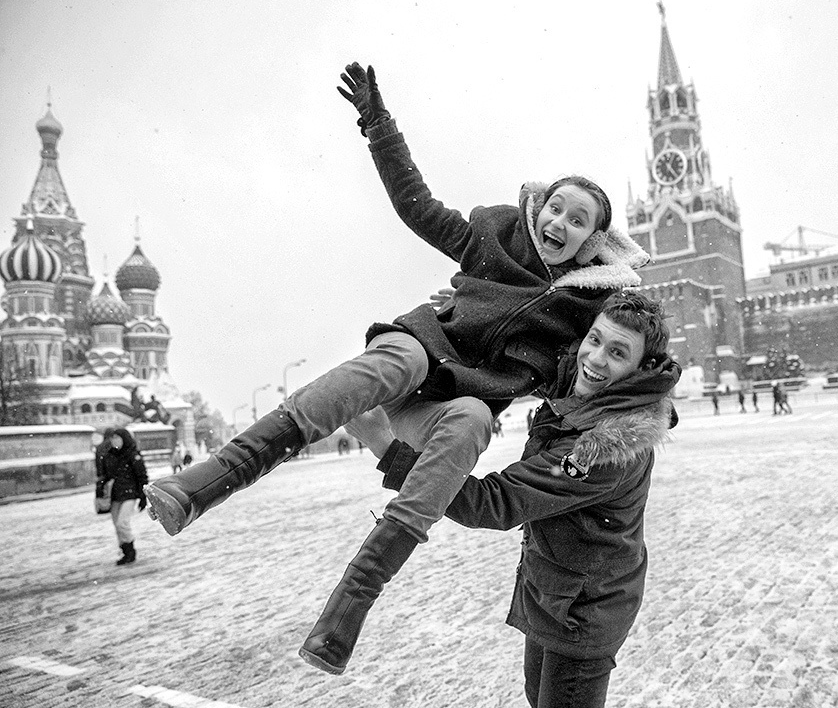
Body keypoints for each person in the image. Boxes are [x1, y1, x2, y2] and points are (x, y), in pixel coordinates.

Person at [145, 62, 647, 672]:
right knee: (398, 355)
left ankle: (350, 604)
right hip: (420, 355)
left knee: (469, 422)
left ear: (593, 243)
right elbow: (419, 207)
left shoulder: (580, 310)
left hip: (452, 402)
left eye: (578, 221)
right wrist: (378, 125)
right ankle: (204, 484)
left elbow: (623, 351)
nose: (559, 224)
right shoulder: (490, 240)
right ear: (537, 206)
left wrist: (643, 393)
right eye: (556, 208)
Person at [335, 291, 679, 705]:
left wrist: (385, 447)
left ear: (642, 368)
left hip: (584, 614)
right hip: (558, 596)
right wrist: (477, 313)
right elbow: (527, 351)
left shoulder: (605, 450)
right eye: (595, 339)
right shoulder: (587, 385)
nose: (596, 358)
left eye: (617, 352)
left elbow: (493, 502)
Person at [95, 427, 148, 565]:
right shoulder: (109, 455)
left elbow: (142, 476)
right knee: (117, 525)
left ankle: (130, 550)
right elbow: (105, 475)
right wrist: (100, 490)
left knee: (122, 523)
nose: (114, 441)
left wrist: (143, 496)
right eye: (112, 438)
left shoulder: (132, 455)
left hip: (129, 493)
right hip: (115, 494)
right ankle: (125, 551)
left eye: (117, 438)